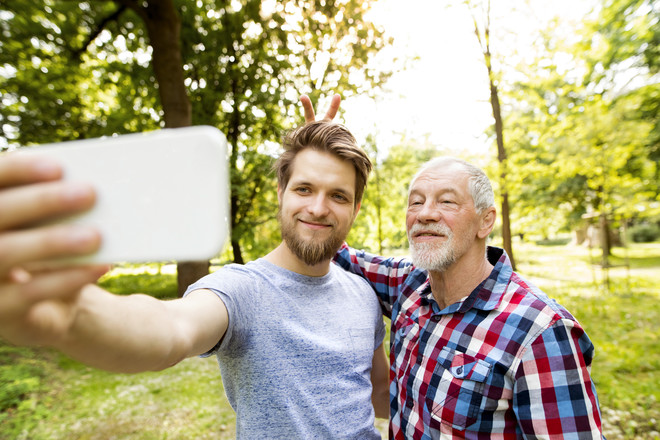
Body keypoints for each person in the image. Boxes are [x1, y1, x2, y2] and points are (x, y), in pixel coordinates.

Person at [0, 118, 389, 439]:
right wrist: (75, 313)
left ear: (355, 208)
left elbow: (379, 392)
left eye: (337, 195)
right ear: (281, 193)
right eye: (304, 188)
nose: (318, 208)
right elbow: (171, 330)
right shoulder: (242, 289)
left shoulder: (361, 294)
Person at [333, 157, 605, 438]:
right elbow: (336, 251)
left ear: (485, 221)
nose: (425, 213)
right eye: (415, 202)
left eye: (447, 202)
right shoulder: (409, 284)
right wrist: (326, 160)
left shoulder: (540, 332)